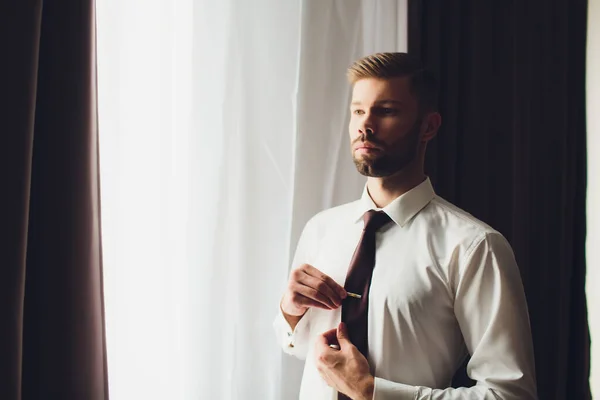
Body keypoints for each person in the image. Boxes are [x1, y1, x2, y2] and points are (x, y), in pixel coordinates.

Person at [273, 52, 537, 400]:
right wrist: (290, 314)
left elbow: (510, 394)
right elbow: (301, 349)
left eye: (386, 111)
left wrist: (372, 393)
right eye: (358, 110)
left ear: (428, 127)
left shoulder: (473, 246)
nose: (365, 125)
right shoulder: (321, 228)